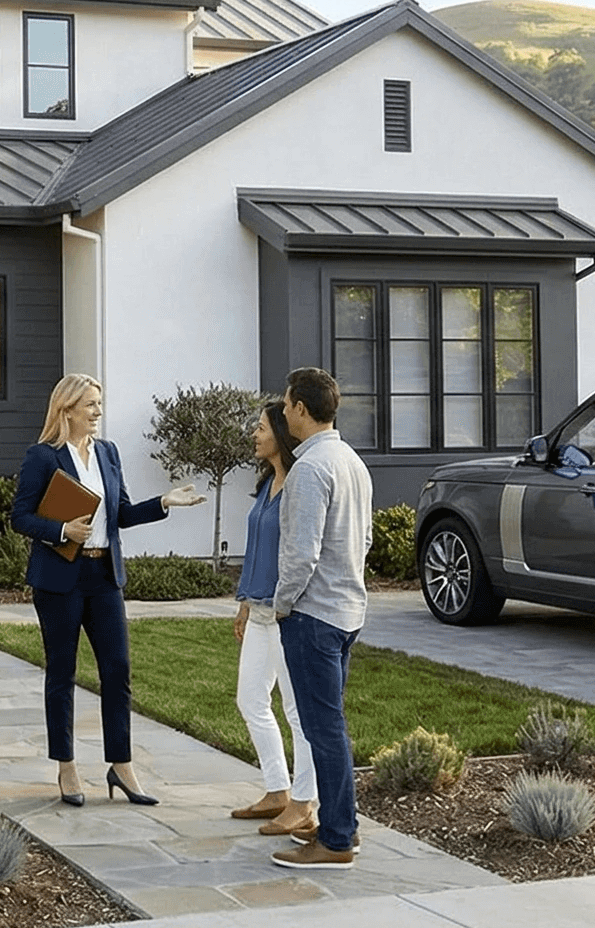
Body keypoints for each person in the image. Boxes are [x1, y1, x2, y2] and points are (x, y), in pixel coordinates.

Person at [10, 373, 205, 806]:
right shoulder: (43, 457)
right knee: (62, 674)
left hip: (104, 578)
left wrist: (164, 503)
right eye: (91, 405)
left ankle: (121, 766)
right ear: (67, 410)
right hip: (60, 580)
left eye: (99, 404)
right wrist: (62, 529)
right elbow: (20, 517)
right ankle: (66, 767)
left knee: (117, 673)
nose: (98, 412)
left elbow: (120, 514)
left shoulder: (108, 453)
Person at [267, 366, 373, 871]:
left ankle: (335, 838)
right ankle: (340, 827)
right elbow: (366, 541)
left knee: (323, 729)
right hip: (347, 611)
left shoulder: (310, 468)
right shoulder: (351, 460)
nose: (283, 413)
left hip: (314, 616)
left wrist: (282, 604)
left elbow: (301, 554)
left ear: (302, 411)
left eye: (286, 405)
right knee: (329, 726)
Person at [229, 400, 318, 835]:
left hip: (288, 613)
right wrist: (244, 602)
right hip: (260, 610)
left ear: (280, 433)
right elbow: (256, 548)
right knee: (250, 700)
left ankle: (305, 803)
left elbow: (302, 553)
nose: (255, 434)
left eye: (261, 428)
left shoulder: (300, 483)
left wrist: (280, 605)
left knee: (298, 712)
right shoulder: (266, 484)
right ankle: (278, 790)